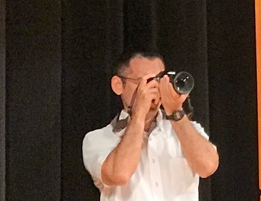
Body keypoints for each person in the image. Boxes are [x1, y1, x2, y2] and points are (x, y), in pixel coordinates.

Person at [82, 48, 219, 200]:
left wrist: (175, 112)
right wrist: (140, 112)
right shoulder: (98, 139)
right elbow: (119, 175)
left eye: (159, 80)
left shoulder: (184, 129)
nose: (154, 88)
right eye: (146, 82)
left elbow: (208, 166)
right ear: (118, 85)